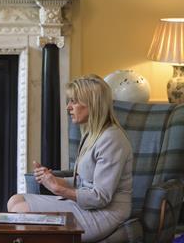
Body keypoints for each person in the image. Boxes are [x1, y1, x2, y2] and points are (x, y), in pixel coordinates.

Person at [7, 75, 133, 243]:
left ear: (92, 104)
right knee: (15, 200)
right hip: (87, 206)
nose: (68, 107)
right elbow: (83, 182)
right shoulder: (91, 134)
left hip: (104, 213)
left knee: (20, 210)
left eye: (74, 101)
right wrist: (52, 179)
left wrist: (59, 189)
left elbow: (101, 197)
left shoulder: (112, 139)